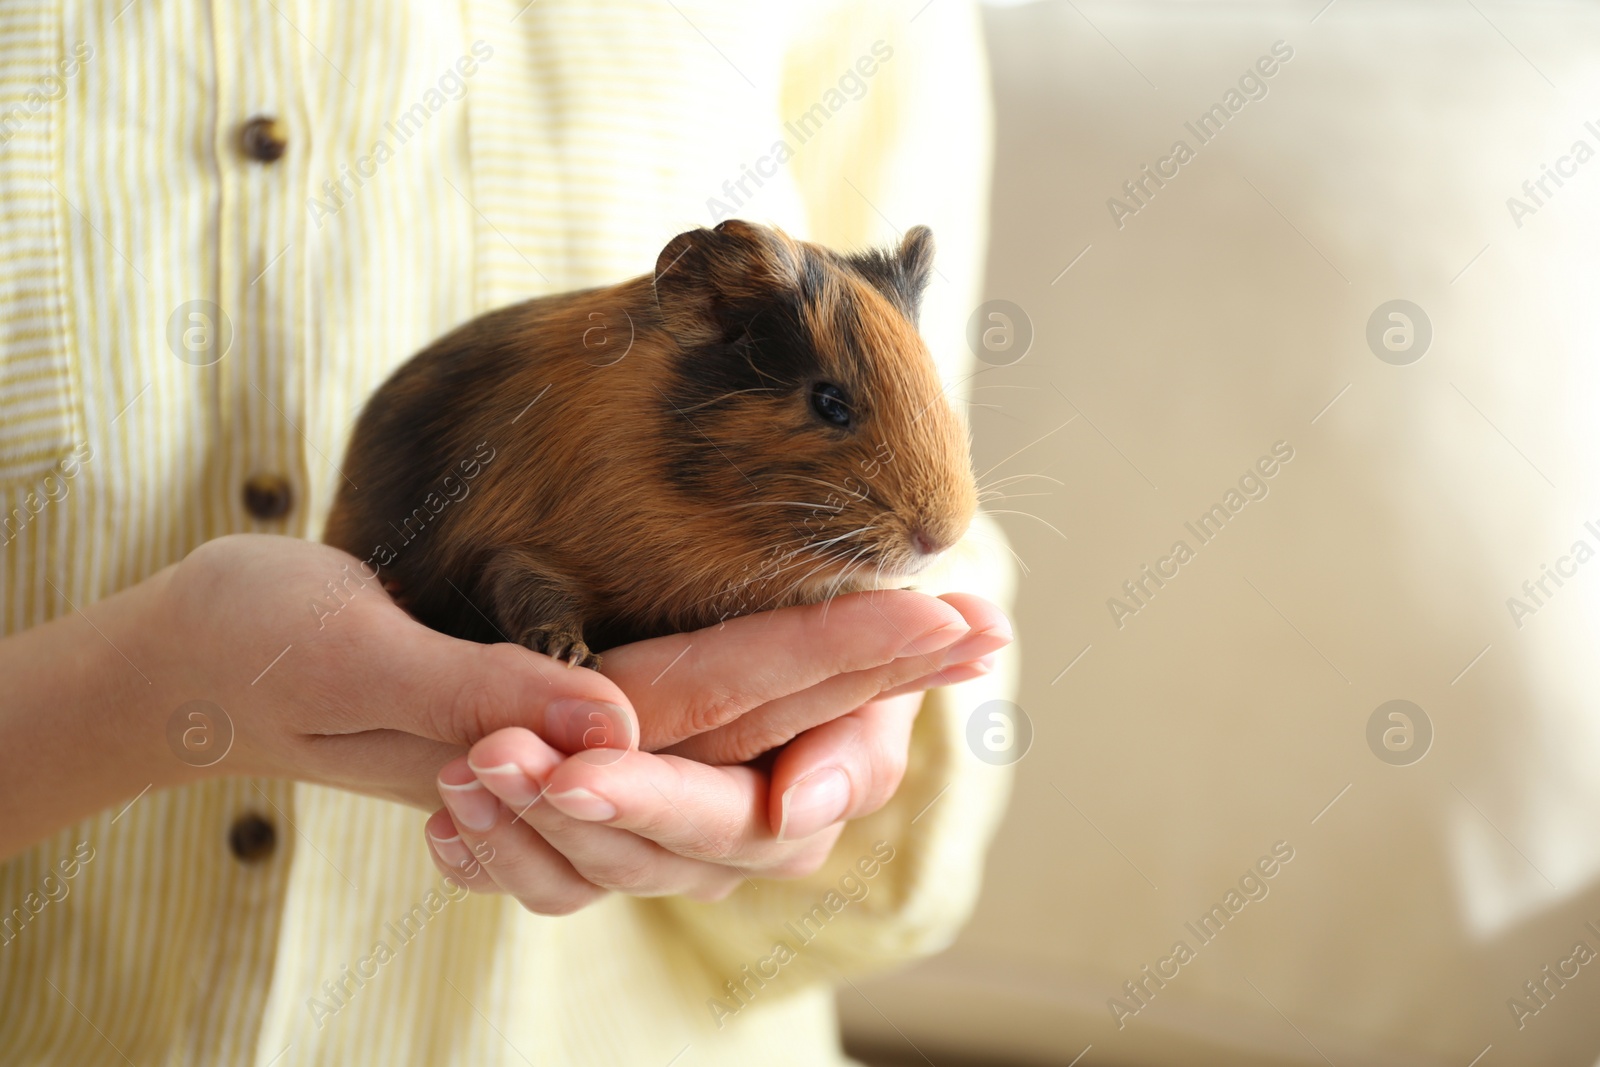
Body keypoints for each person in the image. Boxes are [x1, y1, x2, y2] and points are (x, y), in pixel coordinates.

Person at [0, 1, 1017, 1063]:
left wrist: (837, 747)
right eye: (829, 409)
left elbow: (942, 523)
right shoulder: (568, 441)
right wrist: (139, 689)